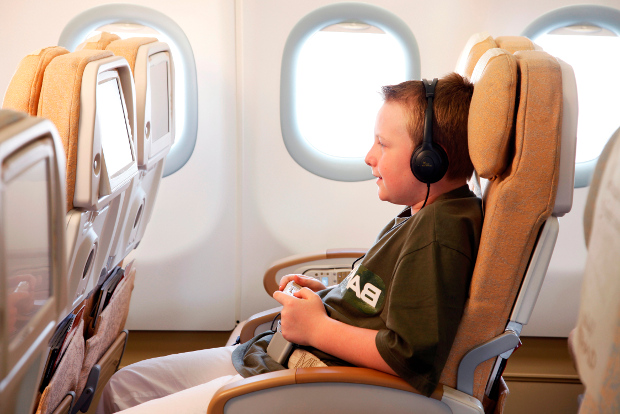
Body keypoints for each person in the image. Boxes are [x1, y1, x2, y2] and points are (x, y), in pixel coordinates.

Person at [96, 72, 482, 414]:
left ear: (429, 160)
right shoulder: (421, 214)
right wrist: (331, 293)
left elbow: (410, 356)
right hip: (281, 355)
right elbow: (383, 300)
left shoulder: (438, 234)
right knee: (123, 388)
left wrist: (317, 329)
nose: (369, 157)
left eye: (383, 144)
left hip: (317, 378)